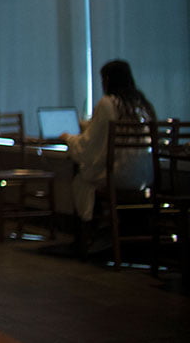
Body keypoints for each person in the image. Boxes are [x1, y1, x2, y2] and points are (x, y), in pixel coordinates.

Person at [61, 59, 156, 230]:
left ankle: (92, 233)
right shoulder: (142, 104)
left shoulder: (107, 103)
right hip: (145, 176)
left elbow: (87, 144)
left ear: (107, 80)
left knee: (81, 177)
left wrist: (68, 138)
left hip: (117, 177)